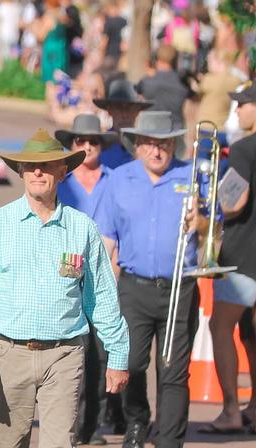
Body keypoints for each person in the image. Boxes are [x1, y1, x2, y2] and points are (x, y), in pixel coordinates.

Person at [0, 129, 129, 447]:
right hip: (9, 353)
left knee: (61, 443)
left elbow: (101, 294)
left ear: (63, 172)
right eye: (31, 166)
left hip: (65, 354)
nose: (38, 172)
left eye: (48, 165)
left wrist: (118, 354)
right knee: (9, 442)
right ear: (21, 171)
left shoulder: (83, 228)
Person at [95, 111, 197, 448]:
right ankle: (137, 420)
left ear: (173, 144)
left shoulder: (192, 176)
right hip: (133, 287)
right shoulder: (119, 179)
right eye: (151, 145)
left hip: (179, 289)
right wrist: (97, 287)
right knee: (131, 363)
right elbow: (106, 238)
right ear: (138, 146)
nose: (158, 152)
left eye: (164, 144)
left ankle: (169, 439)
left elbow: (217, 232)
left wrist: (205, 221)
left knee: (173, 372)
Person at [55, 114, 126, 444]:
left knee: (100, 354)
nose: (86, 146)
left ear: (101, 145)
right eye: (79, 141)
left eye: (93, 141)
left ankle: (92, 424)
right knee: (71, 352)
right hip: (64, 277)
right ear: (71, 146)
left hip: (107, 273)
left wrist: (115, 267)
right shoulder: (60, 180)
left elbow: (125, 226)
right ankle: (71, 423)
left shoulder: (116, 179)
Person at [203, 80, 256, 433]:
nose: (237, 110)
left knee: (219, 327)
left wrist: (209, 209)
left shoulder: (244, 149)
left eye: (243, 104)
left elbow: (233, 202)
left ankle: (230, 410)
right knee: (251, 332)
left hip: (243, 253)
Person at [92, 79, 151, 169]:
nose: (124, 114)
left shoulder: (150, 147)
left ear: (137, 111)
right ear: (109, 110)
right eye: (118, 108)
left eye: (129, 108)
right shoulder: (97, 146)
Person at [135, 46, 190, 129]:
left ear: (156, 59)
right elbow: (194, 97)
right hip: (175, 130)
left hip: (150, 130)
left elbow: (137, 97)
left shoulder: (146, 82)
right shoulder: (182, 82)